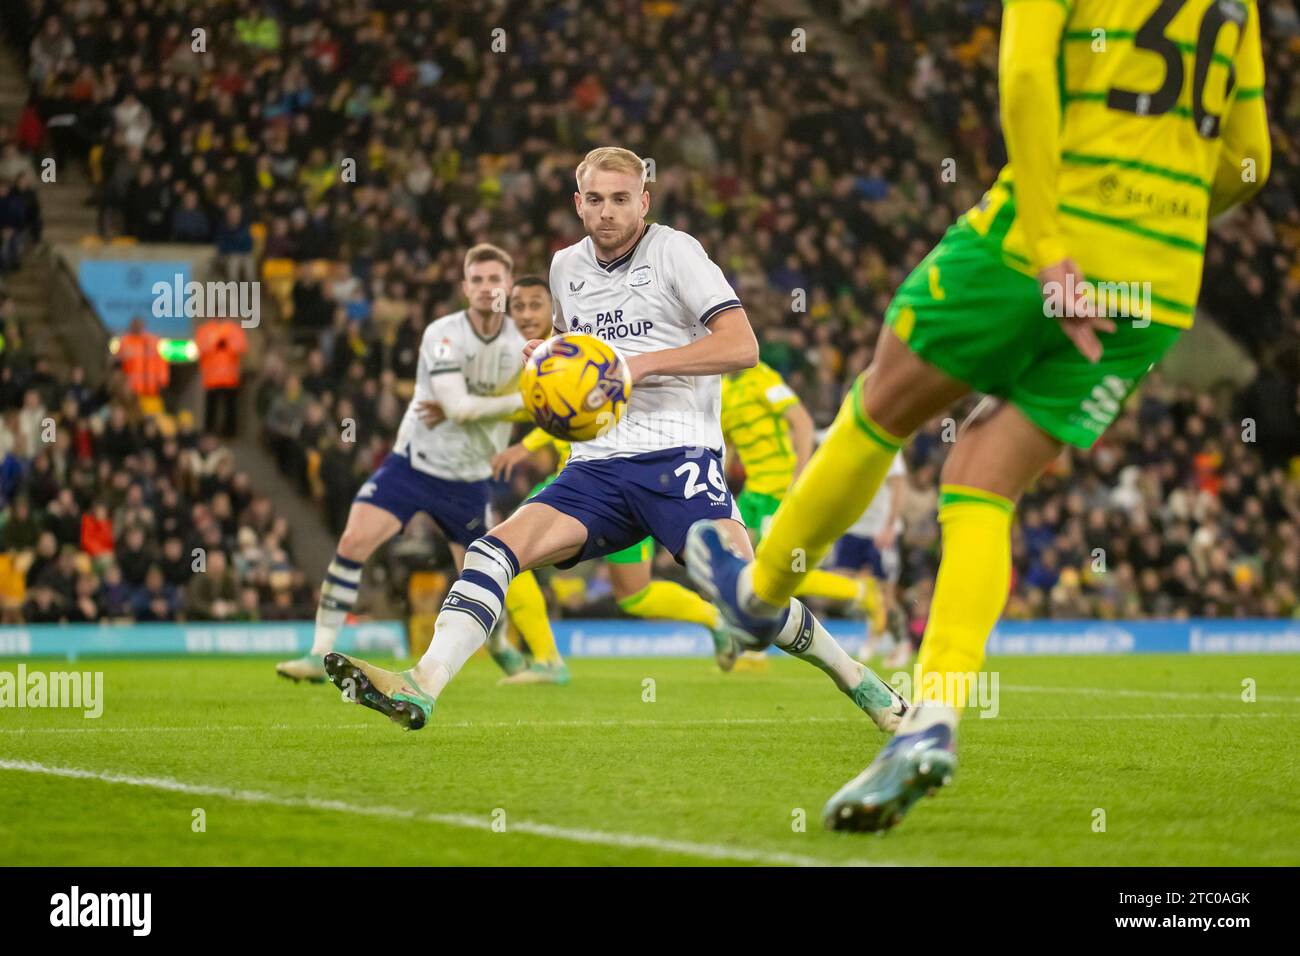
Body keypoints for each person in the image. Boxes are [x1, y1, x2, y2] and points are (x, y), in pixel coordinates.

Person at [684, 0, 1271, 831]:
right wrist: (1153, 227)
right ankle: (931, 719)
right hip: (1163, 277)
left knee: (880, 408)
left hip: (1038, 241)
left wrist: (1055, 240)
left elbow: (1027, 74)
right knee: (984, 481)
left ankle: (759, 592)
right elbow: (1250, 160)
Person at [322, 146, 906, 733]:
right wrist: (548, 361)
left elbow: (741, 346)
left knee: (746, 600)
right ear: (578, 204)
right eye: (595, 200)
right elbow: (576, 354)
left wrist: (642, 365)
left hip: (677, 456)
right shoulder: (563, 267)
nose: (607, 212)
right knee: (491, 552)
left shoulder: (676, 251)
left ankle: (856, 678)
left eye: (621, 199)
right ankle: (422, 686)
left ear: (643, 201)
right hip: (596, 465)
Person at [274, 244, 559, 684]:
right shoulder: (442, 334)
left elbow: (540, 403)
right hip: (413, 466)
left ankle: (499, 642)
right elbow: (458, 407)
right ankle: (318, 652)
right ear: (465, 287)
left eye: (495, 280)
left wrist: (504, 404)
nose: (486, 288)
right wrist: (512, 403)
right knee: (353, 542)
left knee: (481, 574)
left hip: (468, 481)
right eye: (477, 280)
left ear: (507, 287)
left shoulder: (523, 346)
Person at [486, 276, 741, 678]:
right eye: (519, 307)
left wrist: (524, 445)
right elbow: (558, 406)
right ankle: (547, 658)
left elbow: (587, 400)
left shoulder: (591, 343)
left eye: (535, 305)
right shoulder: (548, 353)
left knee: (634, 595)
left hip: (614, 476)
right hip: (581, 483)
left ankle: (717, 618)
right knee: (503, 549)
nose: (527, 314)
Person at [195, 317, 248, 437]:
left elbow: (241, 347)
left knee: (230, 408)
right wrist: (215, 344)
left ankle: (230, 433)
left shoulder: (234, 329)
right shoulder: (205, 329)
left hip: (230, 378)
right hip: (212, 378)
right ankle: (209, 433)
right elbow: (200, 347)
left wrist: (227, 344)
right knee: (211, 408)